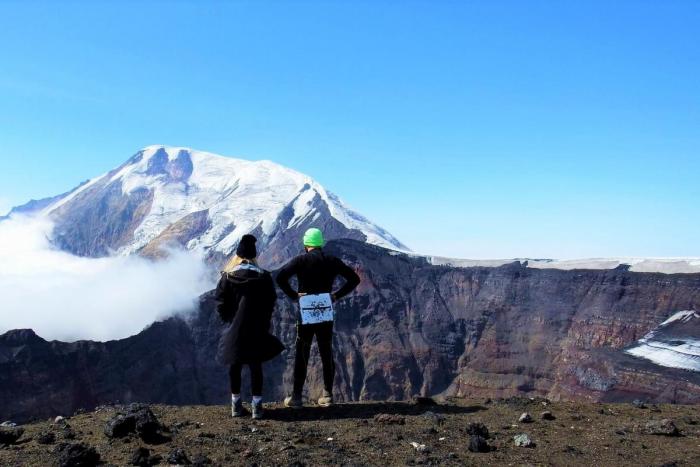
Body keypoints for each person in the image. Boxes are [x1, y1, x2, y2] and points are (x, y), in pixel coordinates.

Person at [276, 227, 361, 408]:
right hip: (325, 310)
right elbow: (354, 279)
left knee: (302, 351)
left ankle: (297, 397)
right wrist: (336, 295)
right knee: (326, 350)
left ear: (306, 244)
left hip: (305, 310)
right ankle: (328, 395)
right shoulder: (332, 261)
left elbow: (281, 277)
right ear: (321, 243)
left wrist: (294, 295)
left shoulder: (300, 260)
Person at [215, 234, 284, 420]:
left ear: (237, 255)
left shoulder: (227, 277)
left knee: (234, 365)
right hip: (256, 328)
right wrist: (263, 322)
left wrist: (230, 321)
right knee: (255, 366)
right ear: (254, 255)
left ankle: (236, 406)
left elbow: (220, 303)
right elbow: (271, 302)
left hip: (233, 329)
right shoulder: (264, 277)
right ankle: (257, 408)